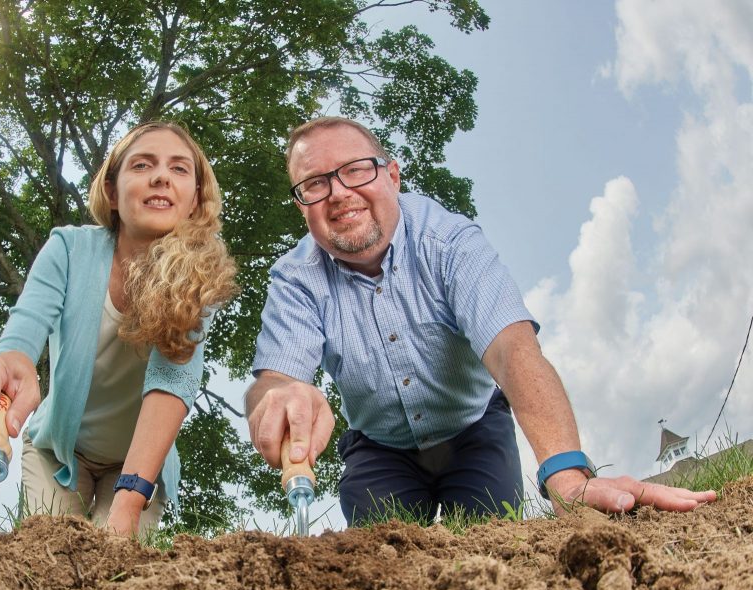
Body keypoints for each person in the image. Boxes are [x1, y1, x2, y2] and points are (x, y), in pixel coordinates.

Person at [246, 116, 715, 525]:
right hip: (379, 446)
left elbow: (512, 351)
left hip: (474, 428)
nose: (339, 193)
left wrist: (567, 472)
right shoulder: (295, 279)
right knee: (376, 553)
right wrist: (279, 397)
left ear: (392, 175)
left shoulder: (450, 242)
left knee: (493, 540)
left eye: (355, 170)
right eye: (315, 184)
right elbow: (273, 381)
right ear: (301, 203)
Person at [0, 122, 236, 535]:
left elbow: (172, 383)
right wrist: (10, 361)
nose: (160, 176)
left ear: (195, 200)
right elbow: (26, 326)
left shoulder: (199, 276)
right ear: (112, 191)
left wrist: (129, 500)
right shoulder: (69, 248)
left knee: (116, 562)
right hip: (58, 451)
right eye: (143, 165)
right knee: (46, 549)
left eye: (179, 169)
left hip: (138, 462)